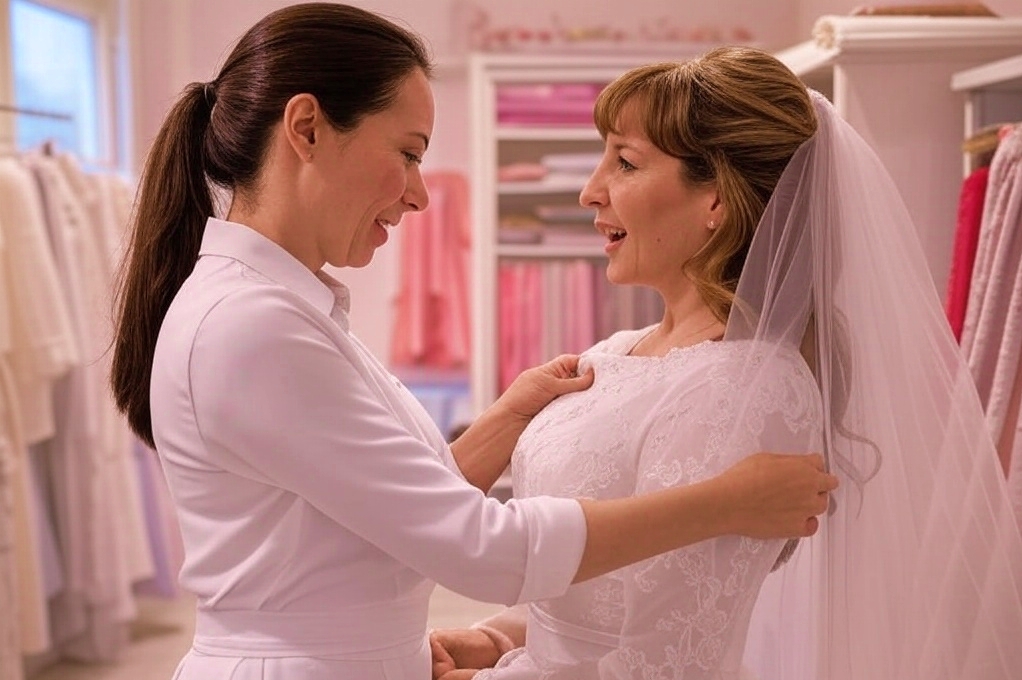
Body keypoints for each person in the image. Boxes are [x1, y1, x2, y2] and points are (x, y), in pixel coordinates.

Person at [108, 6, 837, 680]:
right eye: (409, 151)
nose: (422, 193)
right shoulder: (253, 326)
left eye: (623, 160)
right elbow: (479, 547)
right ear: (305, 129)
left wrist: (509, 418)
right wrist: (728, 500)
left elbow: (391, 506)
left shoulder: (285, 310)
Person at [430, 47, 1022, 680]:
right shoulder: (615, 353)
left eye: (624, 162)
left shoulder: (743, 388)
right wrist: (497, 640)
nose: (588, 190)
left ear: (715, 199)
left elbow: (668, 657)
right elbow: (592, 605)